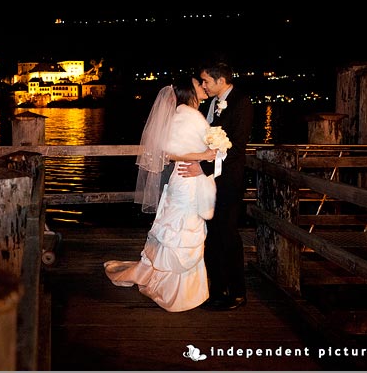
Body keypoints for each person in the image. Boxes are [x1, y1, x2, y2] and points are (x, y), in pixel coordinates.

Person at [103, 76, 223, 312]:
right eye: (199, 84)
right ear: (190, 91)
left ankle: (172, 285)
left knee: (179, 229)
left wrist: (204, 154)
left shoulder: (180, 114)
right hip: (189, 180)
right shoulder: (189, 115)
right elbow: (170, 151)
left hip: (184, 178)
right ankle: (177, 293)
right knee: (183, 230)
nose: (203, 86)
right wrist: (206, 156)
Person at [178, 61, 254, 311]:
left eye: (206, 81)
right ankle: (217, 289)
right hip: (209, 183)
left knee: (228, 235)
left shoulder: (242, 102)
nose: (203, 85)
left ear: (220, 80)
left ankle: (237, 292)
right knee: (211, 236)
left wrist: (203, 167)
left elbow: (236, 149)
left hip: (229, 182)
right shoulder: (212, 104)